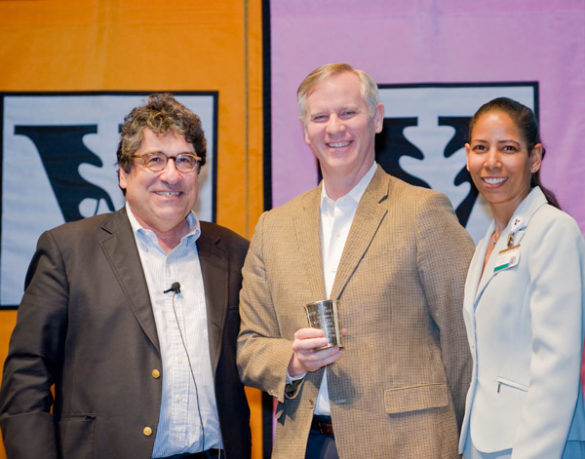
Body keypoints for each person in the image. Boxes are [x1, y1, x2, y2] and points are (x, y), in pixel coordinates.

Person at [237, 63, 475, 458]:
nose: (335, 128)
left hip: (407, 446)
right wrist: (293, 360)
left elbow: (464, 339)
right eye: (320, 117)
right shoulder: (273, 227)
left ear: (377, 118)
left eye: (348, 113)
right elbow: (250, 347)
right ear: (304, 130)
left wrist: (466, 443)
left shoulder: (422, 212)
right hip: (305, 444)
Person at [0, 93, 251, 459]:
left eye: (185, 160)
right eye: (154, 160)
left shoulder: (233, 251)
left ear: (199, 171)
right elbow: (27, 378)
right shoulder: (68, 250)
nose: (171, 174)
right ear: (123, 173)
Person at [459, 97, 585, 458]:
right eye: (481, 148)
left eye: (508, 148)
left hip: (538, 443)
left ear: (535, 157)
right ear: (468, 155)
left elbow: (556, 366)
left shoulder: (553, 230)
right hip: (484, 442)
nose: (492, 161)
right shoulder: (488, 242)